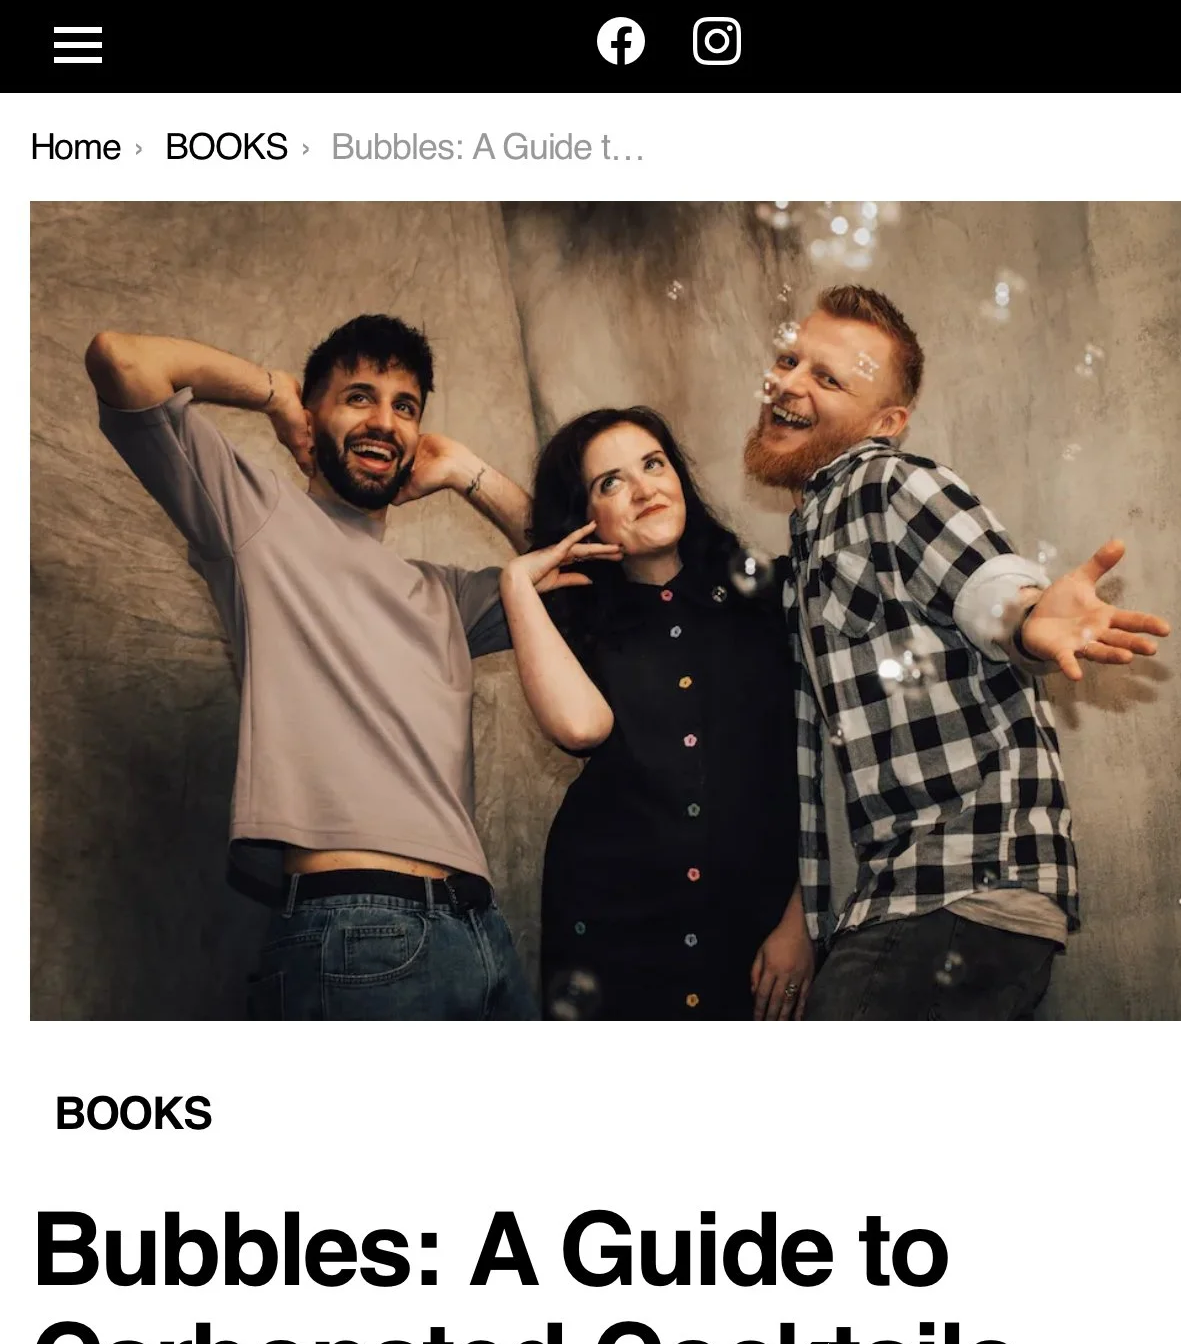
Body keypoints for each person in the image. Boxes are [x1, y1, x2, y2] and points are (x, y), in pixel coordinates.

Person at [85, 313, 538, 1020]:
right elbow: (122, 360)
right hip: (358, 933)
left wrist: (466, 472)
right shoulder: (257, 523)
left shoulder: (446, 593)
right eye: (359, 396)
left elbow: (585, 584)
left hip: (483, 935)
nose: (385, 421)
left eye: (406, 406)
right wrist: (274, 393)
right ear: (314, 412)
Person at [745, 283, 1171, 1020]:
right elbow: (813, 760)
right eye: (789, 360)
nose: (788, 384)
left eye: (827, 377)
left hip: (963, 885)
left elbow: (989, 583)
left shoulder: (886, 482)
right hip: (907, 895)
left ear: (887, 422)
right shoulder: (810, 543)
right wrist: (804, 920)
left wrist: (1031, 617)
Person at [500, 407, 812, 1020]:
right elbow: (579, 729)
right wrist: (515, 581)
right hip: (612, 930)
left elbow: (817, 768)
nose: (644, 489)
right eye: (610, 482)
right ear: (586, 517)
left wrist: (800, 922)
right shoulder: (573, 620)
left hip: (754, 927)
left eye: (653, 464)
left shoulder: (771, 593)